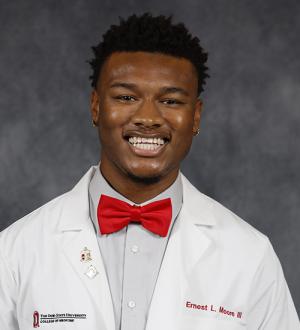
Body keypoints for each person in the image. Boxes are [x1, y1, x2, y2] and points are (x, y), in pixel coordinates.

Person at [0, 12, 299, 330]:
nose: (148, 117)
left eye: (170, 101)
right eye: (126, 97)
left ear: (195, 117)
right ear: (96, 107)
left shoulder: (249, 256)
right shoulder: (15, 250)